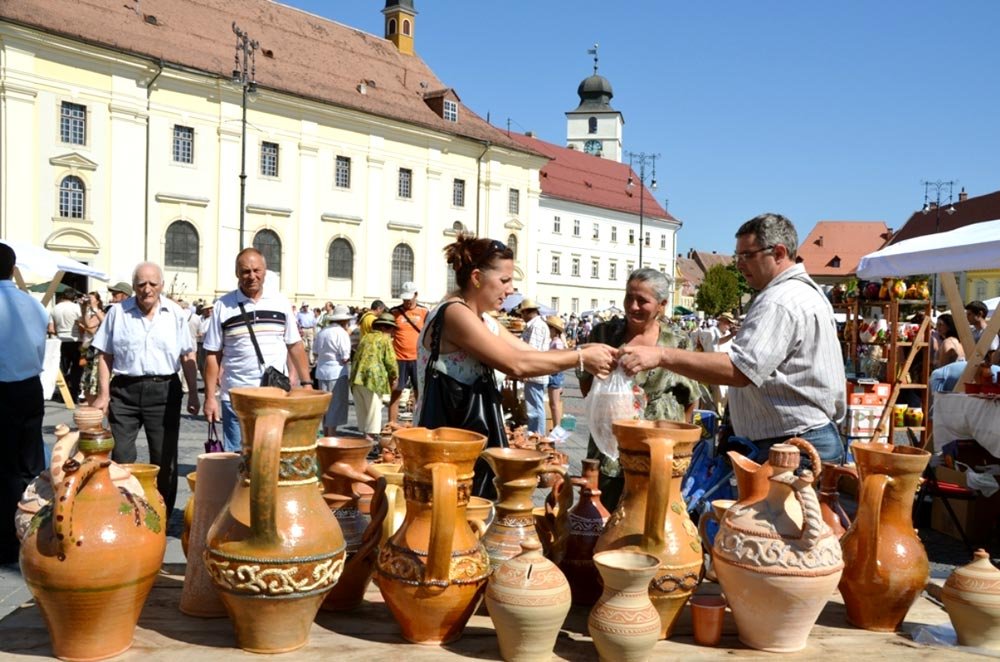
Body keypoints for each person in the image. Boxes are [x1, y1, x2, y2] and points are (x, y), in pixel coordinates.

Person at [620, 213, 847, 468]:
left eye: (747, 255)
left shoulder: (780, 300)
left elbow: (739, 369)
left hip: (793, 444)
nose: (739, 264)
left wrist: (661, 356)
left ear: (779, 252)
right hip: (798, 439)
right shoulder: (801, 293)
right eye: (738, 255)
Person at [416, 234, 617, 497]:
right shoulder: (455, 313)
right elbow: (517, 364)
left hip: (468, 448)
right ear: (476, 278)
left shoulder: (483, 319)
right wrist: (580, 357)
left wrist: (584, 350)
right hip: (445, 454)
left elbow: (528, 353)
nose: (510, 290)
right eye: (504, 280)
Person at [579, 268, 702, 509]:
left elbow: (691, 399)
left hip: (658, 450)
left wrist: (675, 445)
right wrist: (609, 408)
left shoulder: (677, 341)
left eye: (642, 301)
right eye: (629, 297)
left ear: (662, 304)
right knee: (603, 513)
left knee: (653, 517)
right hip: (610, 446)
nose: (632, 306)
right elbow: (586, 382)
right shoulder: (604, 333)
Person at [92, 262, 200, 516]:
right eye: (141, 284)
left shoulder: (175, 313)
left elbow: (187, 356)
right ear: (134, 286)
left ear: (161, 285)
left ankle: (160, 512)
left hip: (164, 391)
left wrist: (194, 392)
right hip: (124, 392)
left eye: (153, 284)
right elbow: (105, 355)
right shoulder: (118, 313)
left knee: (164, 459)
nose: (147, 289)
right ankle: (124, 511)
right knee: (121, 455)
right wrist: (103, 394)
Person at [203, 248, 312, 451]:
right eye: (245, 271)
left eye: (256, 270)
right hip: (236, 397)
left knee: (274, 455)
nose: (252, 276)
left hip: (274, 396)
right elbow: (212, 354)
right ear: (237, 273)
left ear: (265, 271)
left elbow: (295, 345)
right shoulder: (223, 306)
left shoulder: (280, 302)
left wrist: (306, 383)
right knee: (238, 461)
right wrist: (210, 397)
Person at [0, 243, 49, 564]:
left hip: (3, 389)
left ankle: (5, 541)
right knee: (29, 463)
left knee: (3, 467)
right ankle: (33, 530)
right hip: (30, 387)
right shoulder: (33, 305)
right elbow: (40, 346)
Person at [351, 312, 399, 443]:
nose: (393, 332)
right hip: (373, 380)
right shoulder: (385, 339)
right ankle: (370, 442)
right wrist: (394, 377)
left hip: (357, 378)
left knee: (363, 412)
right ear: (384, 328)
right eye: (391, 329)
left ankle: (365, 440)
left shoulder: (365, 337)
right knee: (374, 413)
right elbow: (390, 361)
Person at [388, 281, 428, 428]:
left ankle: (419, 425)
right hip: (399, 359)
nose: (406, 302)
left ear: (416, 295)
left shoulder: (424, 312)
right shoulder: (394, 312)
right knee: (396, 393)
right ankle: (391, 426)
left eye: (409, 299)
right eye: (404, 299)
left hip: (418, 359)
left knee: (420, 393)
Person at [314, 304, 353, 435]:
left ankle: (326, 433)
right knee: (335, 406)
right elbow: (345, 357)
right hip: (337, 372)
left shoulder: (322, 332)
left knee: (324, 405)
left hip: (321, 371)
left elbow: (315, 352)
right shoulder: (342, 334)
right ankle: (331, 435)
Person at [518, 299, 550, 434]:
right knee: (535, 407)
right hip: (535, 373)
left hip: (534, 373)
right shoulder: (535, 325)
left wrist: (525, 371)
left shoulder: (536, 326)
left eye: (522, 313)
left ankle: (538, 436)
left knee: (535, 409)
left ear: (527, 312)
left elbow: (531, 351)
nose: (521, 316)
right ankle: (536, 434)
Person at [51, 289, 83, 401]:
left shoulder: (55, 308)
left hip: (61, 341)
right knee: (77, 369)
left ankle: (62, 394)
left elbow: (51, 328)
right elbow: (81, 324)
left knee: (62, 368)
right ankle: (74, 394)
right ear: (74, 297)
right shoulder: (77, 308)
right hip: (76, 340)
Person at [78, 291, 106, 406]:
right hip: (89, 348)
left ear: (98, 301)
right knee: (87, 381)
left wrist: (94, 308)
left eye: (91, 298)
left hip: (97, 351)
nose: (89, 300)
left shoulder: (102, 312)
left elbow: (90, 327)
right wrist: (84, 309)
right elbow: (88, 323)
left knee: (94, 381)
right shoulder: (92, 314)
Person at [545, 315, 567, 431]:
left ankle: (557, 428)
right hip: (554, 374)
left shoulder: (557, 343)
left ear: (554, 330)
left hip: (555, 374)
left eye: (549, 328)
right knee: (553, 404)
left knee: (555, 404)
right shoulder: (554, 341)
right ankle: (556, 427)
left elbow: (558, 359)